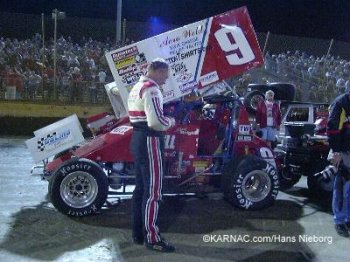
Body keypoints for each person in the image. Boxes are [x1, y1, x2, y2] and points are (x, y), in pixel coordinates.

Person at [127, 58, 176, 252]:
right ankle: (153, 238)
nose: (166, 79)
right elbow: (156, 122)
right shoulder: (152, 89)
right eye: (165, 74)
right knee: (154, 191)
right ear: (157, 71)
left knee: (141, 189)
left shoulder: (136, 87)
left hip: (138, 139)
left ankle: (139, 233)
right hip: (150, 140)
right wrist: (170, 121)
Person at [326, 87, 350, 237]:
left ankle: (348, 218)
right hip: (342, 150)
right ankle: (340, 220)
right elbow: (332, 129)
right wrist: (336, 152)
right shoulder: (340, 103)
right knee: (342, 185)